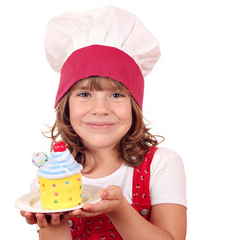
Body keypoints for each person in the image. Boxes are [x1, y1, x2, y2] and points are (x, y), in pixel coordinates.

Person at [21, 6, 187, 240]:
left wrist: (119, 210)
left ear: (134, 106)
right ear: (65, 105)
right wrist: (53, 222)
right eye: (85, 95)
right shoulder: (51, 180)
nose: (100, 109)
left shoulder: (161, 164)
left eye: (116, 95)